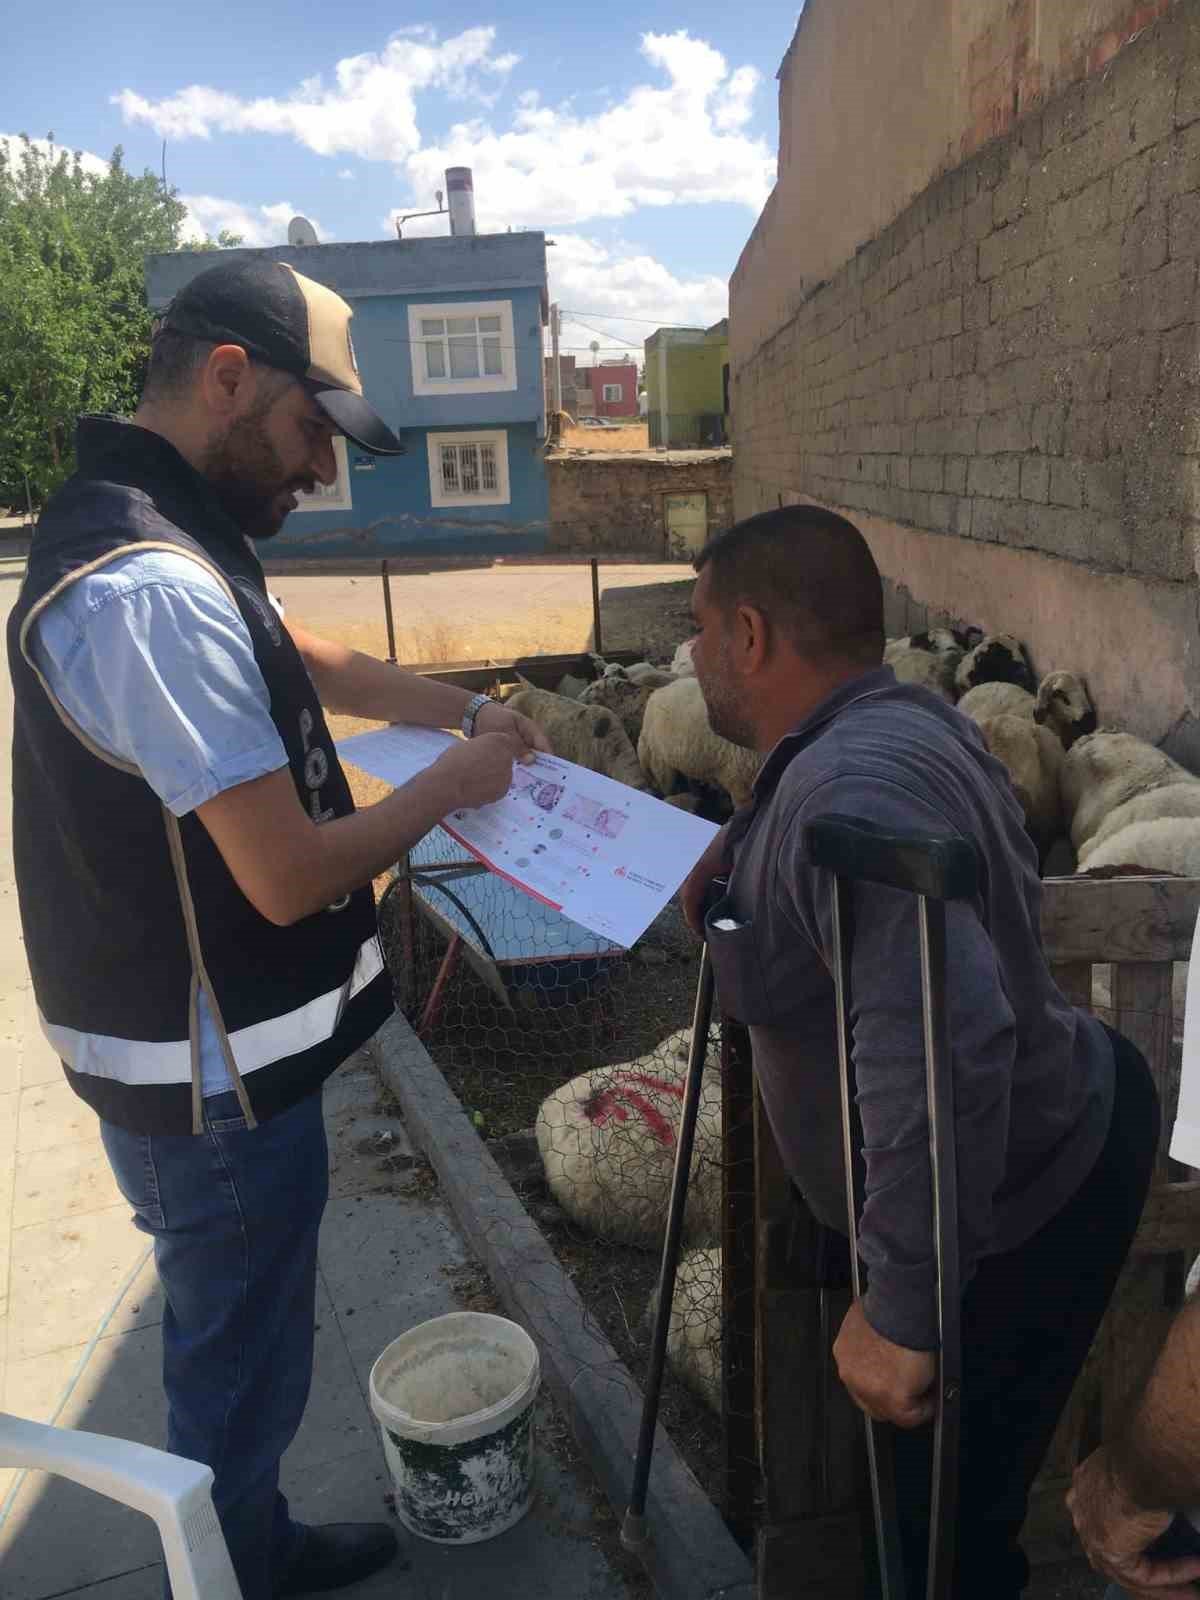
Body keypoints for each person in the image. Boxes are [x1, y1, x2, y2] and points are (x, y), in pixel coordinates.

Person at [8, 257, 549, 1599]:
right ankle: (233, 1563)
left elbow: (295, 650)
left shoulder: (159, 531)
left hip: (203, 1064)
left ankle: (245, 1536)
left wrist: (457, 708)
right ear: (229, 379)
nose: (321, 469)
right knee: (237, 1352)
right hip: (211, 1089)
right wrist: (452, 786)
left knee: (237, 1333)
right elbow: (288, 877)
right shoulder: (153, 589)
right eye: (314, 430)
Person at [679, 505, 1159, 1597]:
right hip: (1063, 1121)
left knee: (940, 1550)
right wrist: (737, 866)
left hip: (1011, 1208)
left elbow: (940, 1037)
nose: (697, 657)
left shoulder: (851, 798)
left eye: (702, 630)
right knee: (939, 1517)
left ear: (749, 638)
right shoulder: (899, 722)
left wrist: (903, 1310)